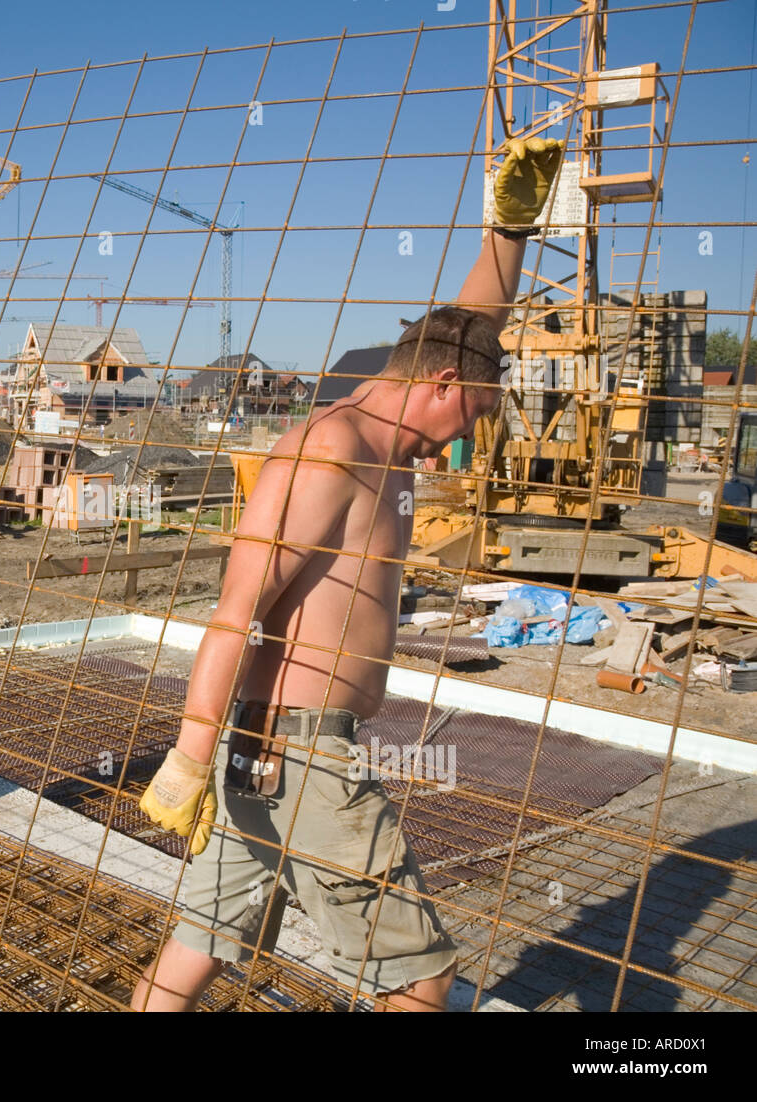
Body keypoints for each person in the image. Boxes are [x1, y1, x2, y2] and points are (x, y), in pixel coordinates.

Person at [134, 138, 564, 1011]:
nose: (458, 444)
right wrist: (185, 755)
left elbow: (476, 322)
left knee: (201, 946)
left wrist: (510, 230)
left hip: (274, 754)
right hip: (300, 757)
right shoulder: (331, 454)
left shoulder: (391, 430)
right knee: (423, 979)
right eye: (467, 419)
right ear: (440, 383)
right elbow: (236, 610)